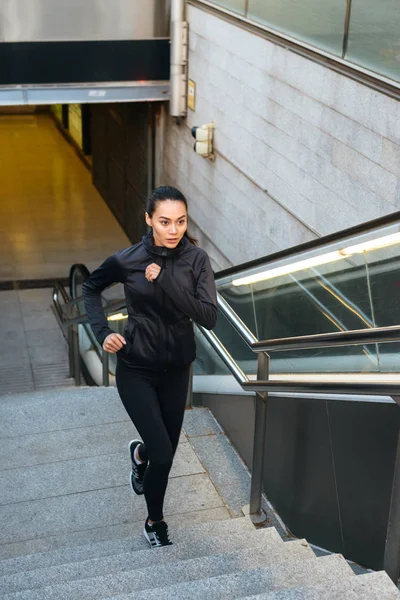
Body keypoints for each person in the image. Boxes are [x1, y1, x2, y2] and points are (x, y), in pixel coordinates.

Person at [82, 186, 217, 548]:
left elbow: (208, 316)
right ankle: (154, 521)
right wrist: (102, 333)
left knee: (163, 456)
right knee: (163, 452)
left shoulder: (197, 260)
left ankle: (139, 454)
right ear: (148, 220)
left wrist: (168, 280)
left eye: (180, 221)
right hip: (136, 368)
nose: (173, 230)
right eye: (164, 221)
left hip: (176, 371)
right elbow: (90, 288)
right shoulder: (128, 260)